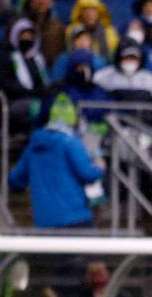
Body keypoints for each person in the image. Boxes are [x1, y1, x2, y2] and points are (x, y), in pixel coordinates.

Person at [8, 94, 104, 228]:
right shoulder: (70, 142)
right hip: (75, 218)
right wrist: (100, 167)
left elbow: (15, 180)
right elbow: (88, 174)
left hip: (44, 222)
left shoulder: (33, 146)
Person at [0, 18, 52, 130]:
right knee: (36, 107)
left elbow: (44, 84)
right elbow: (4, 84)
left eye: (30, 36)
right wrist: (28, 92)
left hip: (37, 99)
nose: (27, 39)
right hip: (15, 101)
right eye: (23, 35)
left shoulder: (38, 60)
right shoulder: (8, 58)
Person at [93, 38, 152, 106]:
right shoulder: (103, 76)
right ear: (120, 58)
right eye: (127, 57)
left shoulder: (149, 78)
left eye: (134, 58)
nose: (130, 61)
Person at [12, 0, 67, 68]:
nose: (42, 1)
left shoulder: (58, 27)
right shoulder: (17, 25)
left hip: (52, 73)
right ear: (30, 2)